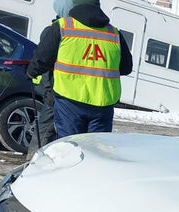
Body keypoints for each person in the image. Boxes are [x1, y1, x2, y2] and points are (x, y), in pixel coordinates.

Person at [26, 0, 132, 138]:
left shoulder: (63, 27)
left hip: (69, 100)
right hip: (103, 104)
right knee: (95, 149)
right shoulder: (114, 33)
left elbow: (42, 57)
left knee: (70, 147)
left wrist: (30, 72)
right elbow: (126, 68)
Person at [27, 0, 75, 153]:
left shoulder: (60, 28)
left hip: (58, 90)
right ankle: (33, 163)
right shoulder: (57, 30)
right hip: (54, 90)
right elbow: (44, 60)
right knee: (46, 129)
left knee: (48, 129)